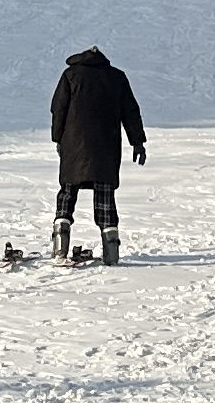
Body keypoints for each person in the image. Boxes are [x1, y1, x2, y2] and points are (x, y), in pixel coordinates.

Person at [47, 43, 146, 263]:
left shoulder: (71, 75)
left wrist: (58, 139)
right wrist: (137, 142)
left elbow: (58, 108)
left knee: (68, 190)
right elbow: (131, 111)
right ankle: (111, 252)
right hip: (106, 147)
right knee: (105, 196)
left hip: (74, 144)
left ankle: (60, 244)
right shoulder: (116, 77)